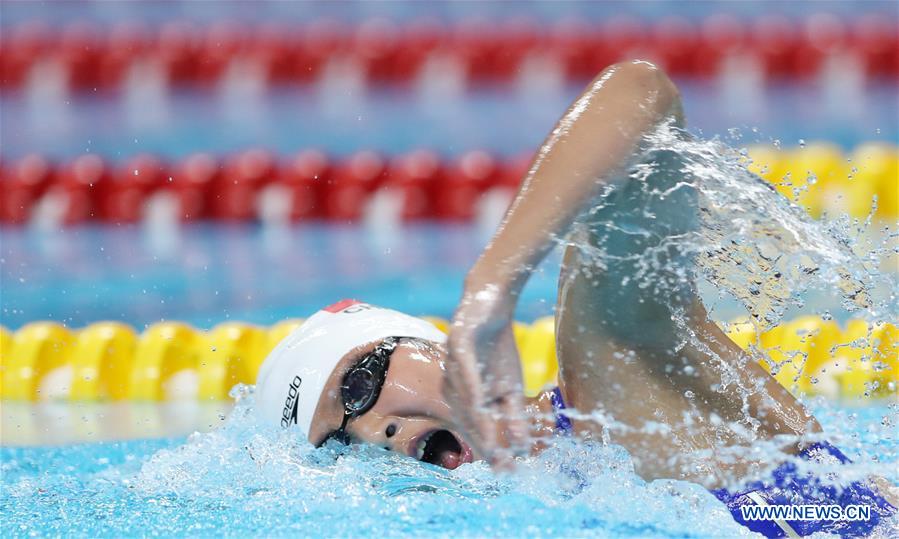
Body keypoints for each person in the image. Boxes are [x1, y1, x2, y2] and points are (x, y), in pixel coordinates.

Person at [255, 61, 896, 537]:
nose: (374, 432)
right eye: (337, 445)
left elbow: (639, 95)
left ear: (427, 346)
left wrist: (490, 289)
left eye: (361, 384)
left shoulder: (609, 393)